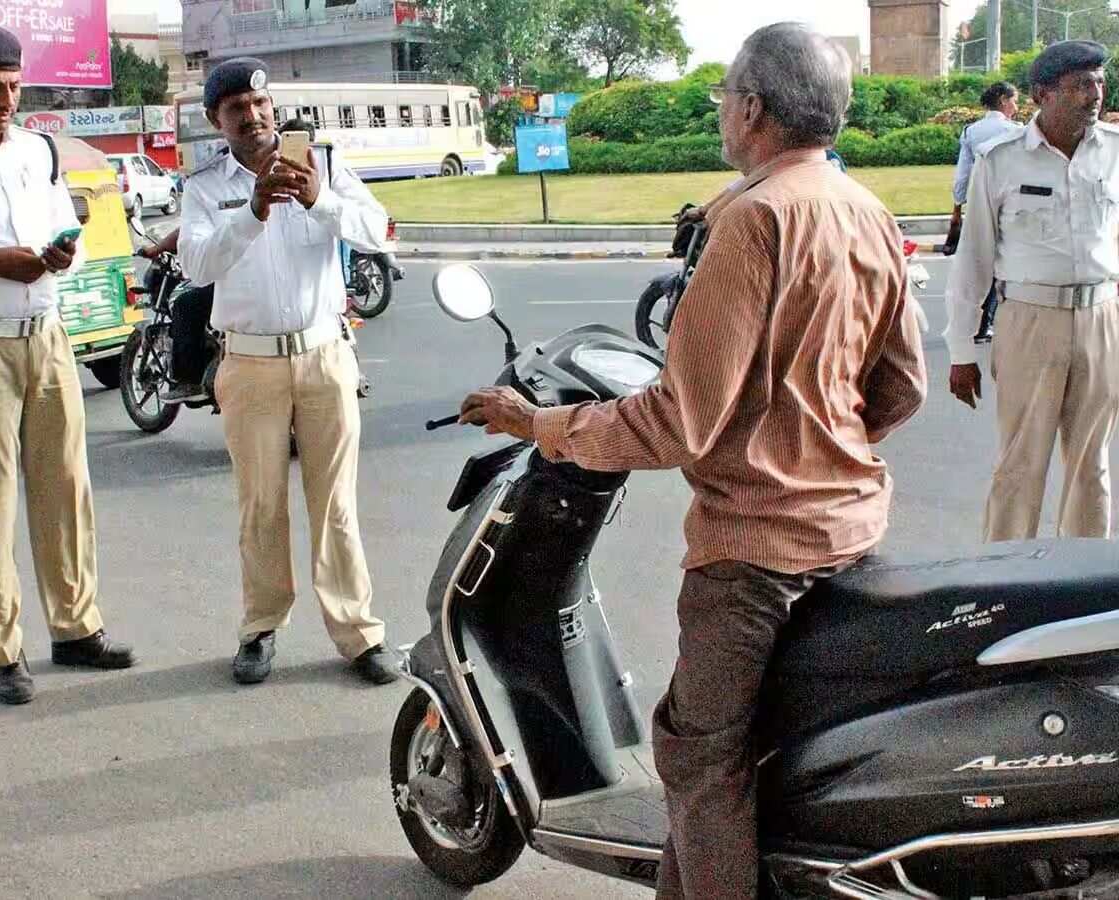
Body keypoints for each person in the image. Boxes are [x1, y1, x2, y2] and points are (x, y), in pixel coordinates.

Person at [460, 23, 927, 899]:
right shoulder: (867, 210)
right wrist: (822, 446)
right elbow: (901, 388)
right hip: (855, 532)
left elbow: (681, 421)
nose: (721, 109)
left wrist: (540, 426)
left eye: (724, 97)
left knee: (698, 756)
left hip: (756, 556)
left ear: (751, 109)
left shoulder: (753, 222)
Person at [0, 26, 135, 705]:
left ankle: (75, 629)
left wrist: (56, 253)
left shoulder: (40, 151)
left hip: (46, 335)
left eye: (13, 86)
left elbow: (50, 228)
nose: (4, 99)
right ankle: (3, 648)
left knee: (65, 487)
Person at [178, 58, 399, 686]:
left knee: (336, 505)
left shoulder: (321, 162)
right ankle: (260, 628)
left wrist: (318, 198)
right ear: (215, 120)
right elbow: (195, 264)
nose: (251, 118)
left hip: (325, 354)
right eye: (235, 111)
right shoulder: (202, 187)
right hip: (248, 362)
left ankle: (358, 634)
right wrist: (251, 210)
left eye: (259, 105)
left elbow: (380, 232)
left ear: (272, 107)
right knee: (261, 504)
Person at [946, 41, 1119, 543]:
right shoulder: (1000, 161)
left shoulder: (1114, 151)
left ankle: (1081, 588)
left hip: (1102, 318)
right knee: (1020, 465)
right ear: (1043, 94)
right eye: (1081, 84)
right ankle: (1003, 586)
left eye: (1099, 81)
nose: (1095, 94)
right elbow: (972, 260)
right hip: (1029, 321)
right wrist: (961, 350)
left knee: (1093, 469)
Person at [944, 81, 1022, 344]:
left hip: (979, 203)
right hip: (1010, 204)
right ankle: (990, 321)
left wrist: (957, 208)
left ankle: (976, 323)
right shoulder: (1015, 132)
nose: (1017, 105)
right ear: (1003, 100)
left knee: (979, 265)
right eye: (1014, 100)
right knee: (1005, 264)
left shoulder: (971, 132)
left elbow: (962, 175)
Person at [135, 228, 215, 403]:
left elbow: (186, 231)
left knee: (184, 305)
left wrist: (155, 250)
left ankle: (189, 382)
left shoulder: (207, 201)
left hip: (230, 280)